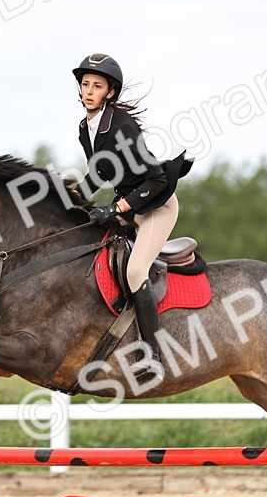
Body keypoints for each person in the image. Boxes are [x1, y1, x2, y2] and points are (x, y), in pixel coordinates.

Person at [73, 53, 191, 379]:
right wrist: (74, 200)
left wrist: (116, 208)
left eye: (97, 86)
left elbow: (155, 178)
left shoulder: (121, 125)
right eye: (85, 84)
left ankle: (152, 355)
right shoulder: (86, 128)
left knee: (136, 269)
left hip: (156, 205)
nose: (89, 91)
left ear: (110, 93)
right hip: (129, 204)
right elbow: (99, 173)